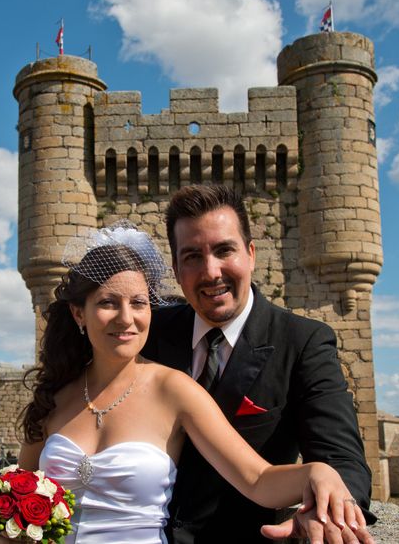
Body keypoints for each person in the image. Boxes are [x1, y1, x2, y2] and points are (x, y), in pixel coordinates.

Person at [15, 223, 367, 544]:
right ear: (79, 312)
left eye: (138, 303)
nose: (126, 319)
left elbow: (257, 479)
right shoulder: (55, 396)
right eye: (108, 303)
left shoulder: (175, 389)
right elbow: (20, 490)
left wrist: (317, 473)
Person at [140, 184, 375, 544]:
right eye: (192, 257)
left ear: (250, 254)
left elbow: (341, 458)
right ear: (175, 267)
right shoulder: (150, 333)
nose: (210, 272)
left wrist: (321, 512)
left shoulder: (302, 342)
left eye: (224, 250)